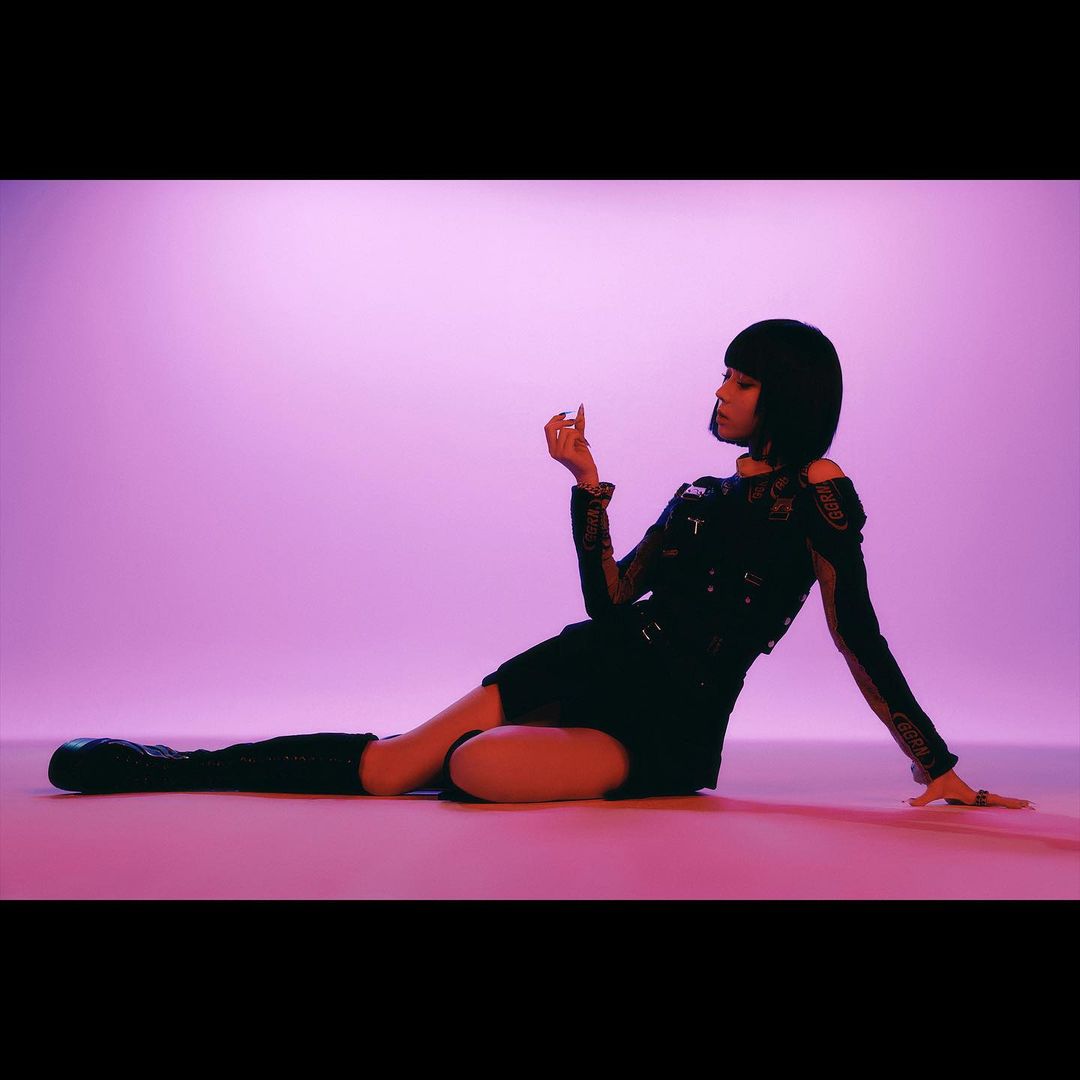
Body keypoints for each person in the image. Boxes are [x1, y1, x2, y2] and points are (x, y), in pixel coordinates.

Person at [48, 319, 1033, 809]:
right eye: (726, 375)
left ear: (787, 395)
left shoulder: (820, 492)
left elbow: (857, 632)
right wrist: (586, 484)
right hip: (589, 658)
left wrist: (935, 764)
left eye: (741, 380)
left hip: (669, 721)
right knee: (391, 769)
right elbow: (611, 597)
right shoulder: (700, 494)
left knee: (471, 766)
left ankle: (509, 751)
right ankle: (166, 768)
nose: (722, 393)